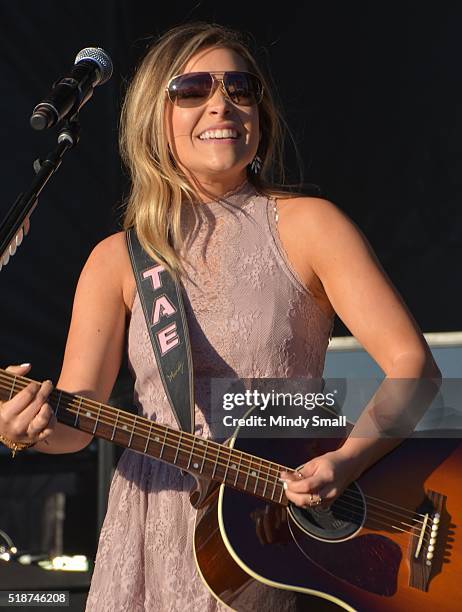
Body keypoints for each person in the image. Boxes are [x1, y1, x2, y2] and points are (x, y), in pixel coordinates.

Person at [0, 22, 440, 611]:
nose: (221, 104)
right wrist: (24, 428)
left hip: (283, 528)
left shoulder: (310, 224)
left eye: (240, 87)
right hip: (157, 520)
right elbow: (79, 419)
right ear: (156, 116)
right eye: (193, 89)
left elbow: (414, 364)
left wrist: (347, 460)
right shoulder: (117, 259)